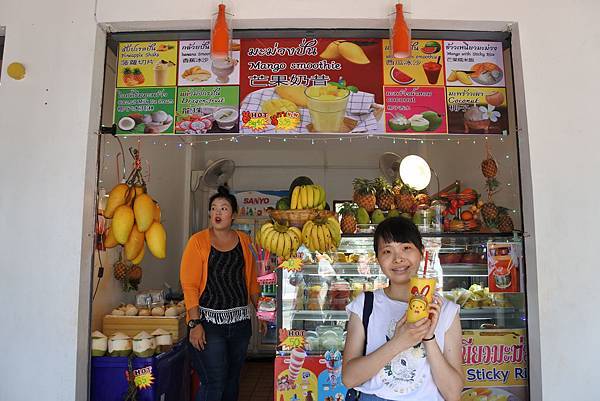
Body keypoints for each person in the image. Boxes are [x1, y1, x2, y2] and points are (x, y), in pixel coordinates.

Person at [342, 217, 464, 401]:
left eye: (406, 248)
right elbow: (349, 378)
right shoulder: (365, 304)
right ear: (378, 259)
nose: (398, 258)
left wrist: (428, 337)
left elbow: (453, 394)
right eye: (387, 251)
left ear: (421, 253)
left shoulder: (445, 311)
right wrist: (399, 342)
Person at [180, 186, 265, 401]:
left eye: (224, 208)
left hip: (240, 325)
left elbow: (252, 282)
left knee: (231, 380)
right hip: (208, 324)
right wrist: (194, 323)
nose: (217, 213)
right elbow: (189, 285)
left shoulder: (245, 242)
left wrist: (261, 313)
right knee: (213, 382)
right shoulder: (197, 242)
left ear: (234, 214)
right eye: (214, 208)